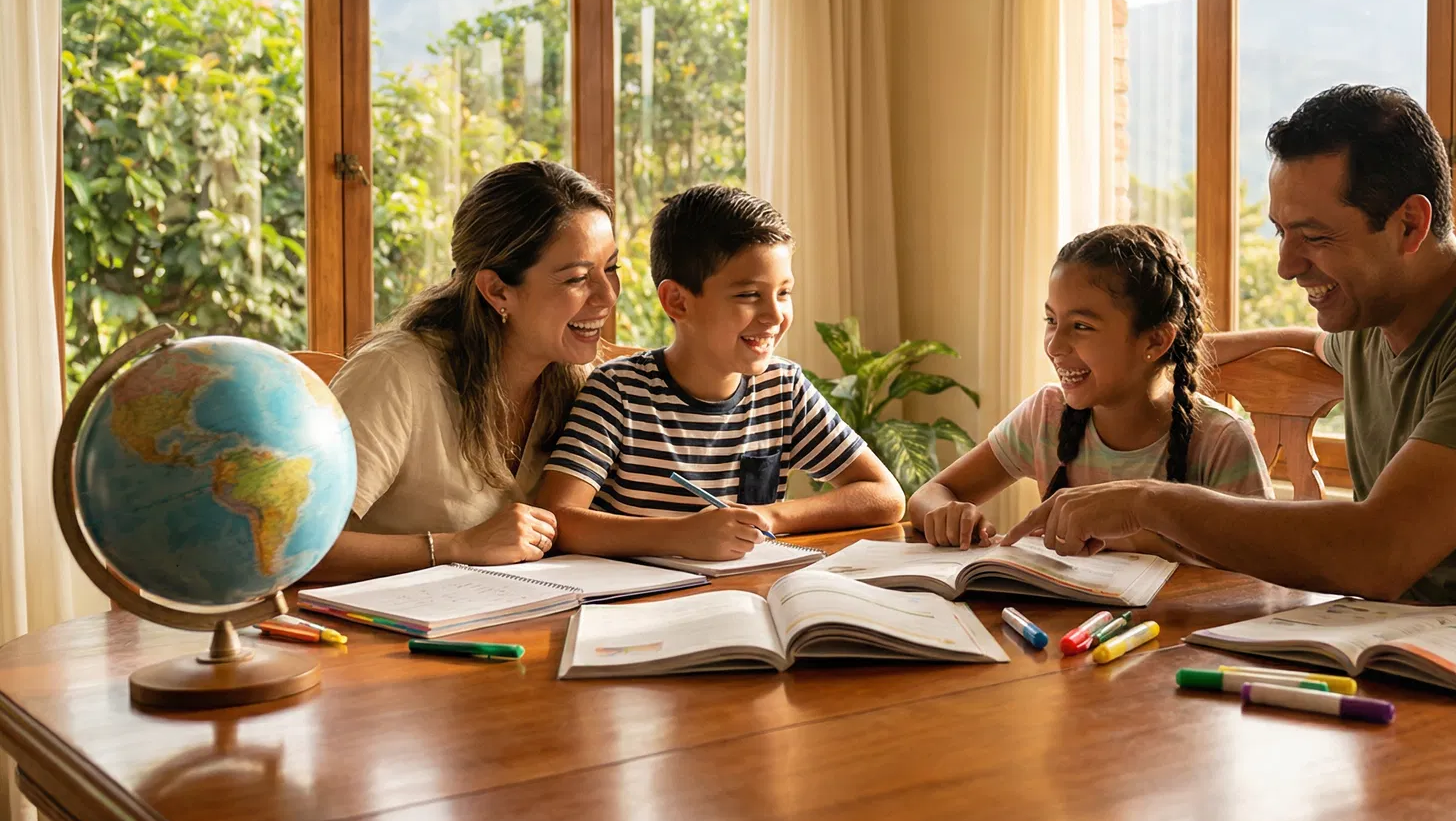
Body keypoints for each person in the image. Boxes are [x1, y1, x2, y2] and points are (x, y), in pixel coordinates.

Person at [1004, 84, 1456, 643]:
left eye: (1315, 238)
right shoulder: (1374, 323)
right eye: (1281, 232)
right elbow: (1311, 339)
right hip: (1438, 664)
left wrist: (1149, 502)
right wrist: (1188, 357)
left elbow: (1376, 553)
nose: (1288, 265)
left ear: (1410, 225)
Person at [539, 184, 904, 560]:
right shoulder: (618, 392)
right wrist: (681, 536)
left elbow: (884, 495)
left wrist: (769, 516)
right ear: (677, 301)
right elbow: (557, 519)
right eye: (749, 295)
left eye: (784, 293)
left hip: (746, 595)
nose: (774, 316)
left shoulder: (784, 389)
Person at [307, 160, 616, 582]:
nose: (607, 296)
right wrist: (458, 547)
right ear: (497, 290)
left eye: (611, 269)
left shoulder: (581, 383)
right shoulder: (396, 373)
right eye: (577, 278)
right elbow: (295, 548)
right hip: (375, 639)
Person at [908, 224, 1270, 553]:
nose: (1054, 345)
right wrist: (948, 514)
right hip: (1067, 624)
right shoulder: (1046, 416)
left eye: (1081, 326)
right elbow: (930, 495)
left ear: (1156, 341)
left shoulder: (1221, 440)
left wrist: (1133, 536)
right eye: (1051, 320)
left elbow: (1262, 563)